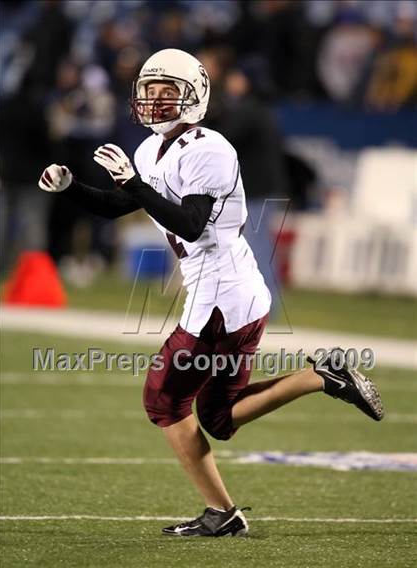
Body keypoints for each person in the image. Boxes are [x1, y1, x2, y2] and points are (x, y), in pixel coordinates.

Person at [38, 48, 384, 538]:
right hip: (230, 292)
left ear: (195, 96)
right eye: (149, 92)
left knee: (163, 401)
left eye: (167, 93)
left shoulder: (211, 149)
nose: (155, 102)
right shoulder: (149, 150)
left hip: (221, 296)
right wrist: (71, 186)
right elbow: (121, 205)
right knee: (219, 418)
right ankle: (321, 376)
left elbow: (192, 225)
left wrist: (135, 184)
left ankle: (222, 513)